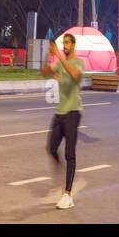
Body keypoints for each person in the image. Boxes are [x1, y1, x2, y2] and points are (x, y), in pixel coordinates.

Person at [41, 34, 85, 210]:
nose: (65, 45)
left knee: (69, 153)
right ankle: (64, 176)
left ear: (73, 45)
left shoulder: (79, 63)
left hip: (73, 112)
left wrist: (59, 56)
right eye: (63, 43)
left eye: (67, 43)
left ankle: (67, 194)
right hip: (59, 113)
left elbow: (75, 77)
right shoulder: (59, 63)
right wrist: (48, 54)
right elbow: (44, 72)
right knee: (51, 148)